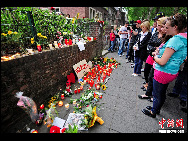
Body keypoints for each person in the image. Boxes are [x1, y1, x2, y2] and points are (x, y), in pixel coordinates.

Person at [142, 13, 187, 118]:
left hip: (163, 71)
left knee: (158, 94)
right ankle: (156, 108)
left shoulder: (175, 40)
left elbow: (162, 61)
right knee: (161, 92)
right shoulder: (183, 39)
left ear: (175, 27)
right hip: (171, 71)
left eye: (167, 27)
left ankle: (154, 111)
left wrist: (154, 57)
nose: (164, 30)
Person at [138, 17, 171, 100]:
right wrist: (153, 50)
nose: (158, 27)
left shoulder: (167, 37)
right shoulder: (155, 34)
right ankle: (148, 90)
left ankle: (152, 95)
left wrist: (156, 50)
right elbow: (149, 44)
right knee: (148, 72)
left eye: (160, 26)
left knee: (154, 77)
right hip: (152, 55)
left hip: (159, 58)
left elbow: (162, 49)